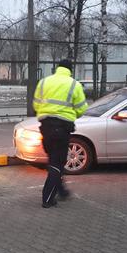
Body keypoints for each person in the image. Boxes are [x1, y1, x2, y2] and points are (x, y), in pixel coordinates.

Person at [33, 59, 87, 208]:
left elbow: (36, 104)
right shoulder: (74, 84)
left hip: (45, 126)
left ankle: (61, 190)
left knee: (53, 161)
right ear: (71, 70)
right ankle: (48, 199)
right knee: (57, 163)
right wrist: (71, 114)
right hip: (61, 128)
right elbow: (82, 108)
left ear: (57, 68)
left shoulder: (44, 82)